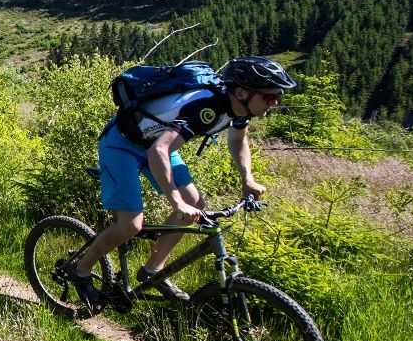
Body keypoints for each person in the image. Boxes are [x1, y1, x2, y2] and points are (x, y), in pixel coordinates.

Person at [70, 55, 296, 313]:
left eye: (278, 96)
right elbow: (159, 152)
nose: (275, 102)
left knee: (195, 205)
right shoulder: (206, 108)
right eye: (269, 96)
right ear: (242, 91)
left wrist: (248, 179)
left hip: (155, 144)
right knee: (130, 224)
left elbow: (237, 142)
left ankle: (152, 271)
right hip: (121, 144)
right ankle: (82, 271)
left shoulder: (240, 109)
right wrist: (175, 202)